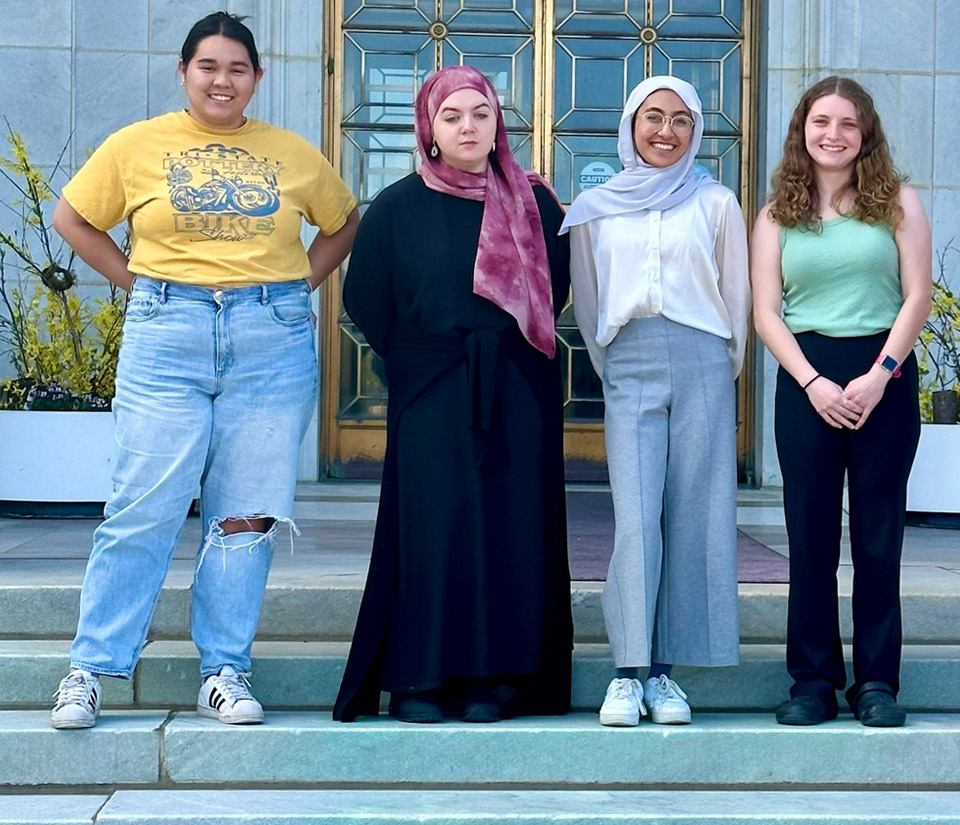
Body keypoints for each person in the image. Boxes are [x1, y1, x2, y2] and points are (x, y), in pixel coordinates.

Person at [48, 11, 359, 729]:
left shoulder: (291, 152)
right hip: (168, 333)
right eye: (208, 67)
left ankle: (224, 670)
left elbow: (343, 221)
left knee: (245, 514)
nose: (223, 81)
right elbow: (72, 218)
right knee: (142, 503)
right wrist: (136, 283)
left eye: (237, 68)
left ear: (257, 77)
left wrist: (297, 286)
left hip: (270, 340)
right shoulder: (136, 145)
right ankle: (90, 668)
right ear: (184, 72)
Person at [333, 65, 572, 724]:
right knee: (434, 528)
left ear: (498, 124)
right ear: (429, 129)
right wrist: (421, 361)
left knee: (506, 530)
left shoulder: (536, 204)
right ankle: (419, 677)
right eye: (453, 115)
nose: (469, 127)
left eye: (481, 114)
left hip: (517, 388)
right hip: (432, 389)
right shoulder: (397, 206)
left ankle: (492, 679)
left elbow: (557, 289)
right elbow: (366, 298)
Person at [563, 76, 750, 727]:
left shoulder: (716, 202)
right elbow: (589, 302)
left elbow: (737, 299)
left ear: (695, 130)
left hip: (704, 361)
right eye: (653, 117)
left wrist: (719, 369)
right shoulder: (595, 207)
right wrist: (615, 364)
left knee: (695, 517)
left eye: (680, 119)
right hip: (629, 361)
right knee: (637, 518)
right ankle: (626, 673)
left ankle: (665, 674)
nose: (666, 131)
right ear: (631, 124)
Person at [750, 76, 931, 728]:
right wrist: (812, 382)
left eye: (848, 123)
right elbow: (766, 313)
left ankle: (877, 680)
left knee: (879, 535)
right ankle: (814, 680)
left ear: (866, 132)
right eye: (821, 122)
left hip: (884, 375)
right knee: (810, 537)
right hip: (808, 379)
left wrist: (881, 374)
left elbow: (918, 295)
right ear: (802, 130)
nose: (833, 134)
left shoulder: (898, 202)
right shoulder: (777, 214)